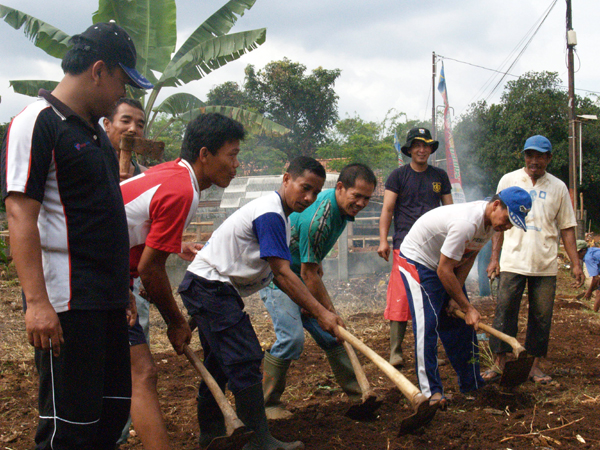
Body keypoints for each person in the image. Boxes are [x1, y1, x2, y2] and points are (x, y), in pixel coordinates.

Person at [1, 22, 153, 449]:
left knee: (109, 422)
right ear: (99, 70)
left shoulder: (94, 135)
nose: (123, 93)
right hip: (67, 305)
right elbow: (20, 214)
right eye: (123, 80)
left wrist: (121, 288)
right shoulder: (37, 123)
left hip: (105, 302)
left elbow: (102, 216)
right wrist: (36, 303)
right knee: (69, 431)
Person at [178, 156, 345, 450]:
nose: (309, 197)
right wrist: (322, 313)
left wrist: (192, 316)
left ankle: (211, 433)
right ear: (286, 179)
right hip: (211, 288)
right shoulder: (269, 213)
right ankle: (260, 441)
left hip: (207, 288)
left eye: (316, 193)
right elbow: (281, 272)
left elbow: (277, 271)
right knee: (245, 358)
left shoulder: (279, 216)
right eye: (304, 187)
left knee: (217, 362)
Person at [120, 113, 244, 448]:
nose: (236, 165)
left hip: (103, 273)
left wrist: (172, 250)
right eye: (231, 155)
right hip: (90, 273)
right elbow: (151, 270)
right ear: (205, 154)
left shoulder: (172, 174)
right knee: (141, 374)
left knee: (124, 375)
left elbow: (141, 232)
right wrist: (175, 322)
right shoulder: (182, 190)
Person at [259, 163, 377, 419]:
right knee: (292, 338)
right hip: (276, 277)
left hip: (298, 275)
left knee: (333, 336)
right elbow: (307, 273)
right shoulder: (322, 217)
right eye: (357, 196)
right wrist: (327, 311)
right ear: (340, 188)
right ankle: (267, 404)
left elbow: (309, 258)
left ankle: (362, 396)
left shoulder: (338, 209)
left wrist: (316, 268)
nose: (361, 203)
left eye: (367, 198)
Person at [398, 187, 532, 407]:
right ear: (496, 205)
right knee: (428, 325)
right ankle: (431, 392)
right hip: (418, 262)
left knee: (460, 325)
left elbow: (469, 256)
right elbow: (443, 270)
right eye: (508, 220)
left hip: (444, 264)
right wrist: (467, 307)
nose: (507, 227)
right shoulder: (467, 223)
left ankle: (472, 383)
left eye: (512, 224)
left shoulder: (491, 225)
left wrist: (456, 299)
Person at [486, 135, 584, 385]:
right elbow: (498, 222)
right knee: (505, 311)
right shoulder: (509, 180)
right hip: (512, 261)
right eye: (530, 155)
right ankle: (500, 362)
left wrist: (575, 263)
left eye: (540, 156)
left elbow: (567, 228)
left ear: (549, 158)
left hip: (545, 264)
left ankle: (535, 366)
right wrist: (494, 258)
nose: (535, 161)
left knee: (541, 317)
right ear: (524, 156)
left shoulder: (558, 187)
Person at [378, 127, 453, 368]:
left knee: (432, 298)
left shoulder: (440, 176)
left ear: (431, 149)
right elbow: (388, 209)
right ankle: (396, 351)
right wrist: (383, 240)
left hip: (434, 247)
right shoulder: (398, 176)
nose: (422, 149)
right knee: (400, 296)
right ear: (409, 150)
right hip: (405, 244)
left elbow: (449, 211)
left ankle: (429, 348)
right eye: (417, 145)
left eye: (426, 145)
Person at [104, 97, 148, 179]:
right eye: (125, 121)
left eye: (140, 125)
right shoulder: (88, 165)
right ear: (107, 124)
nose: (133, 129)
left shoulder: (143, 175)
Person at [577, 240, 600, 312]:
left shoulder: (588, 257)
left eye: (577, 253)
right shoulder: (592, 251)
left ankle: (594, 312)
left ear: (583, 250)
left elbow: (595, 278)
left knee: (598, 293)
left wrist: (589, 292)